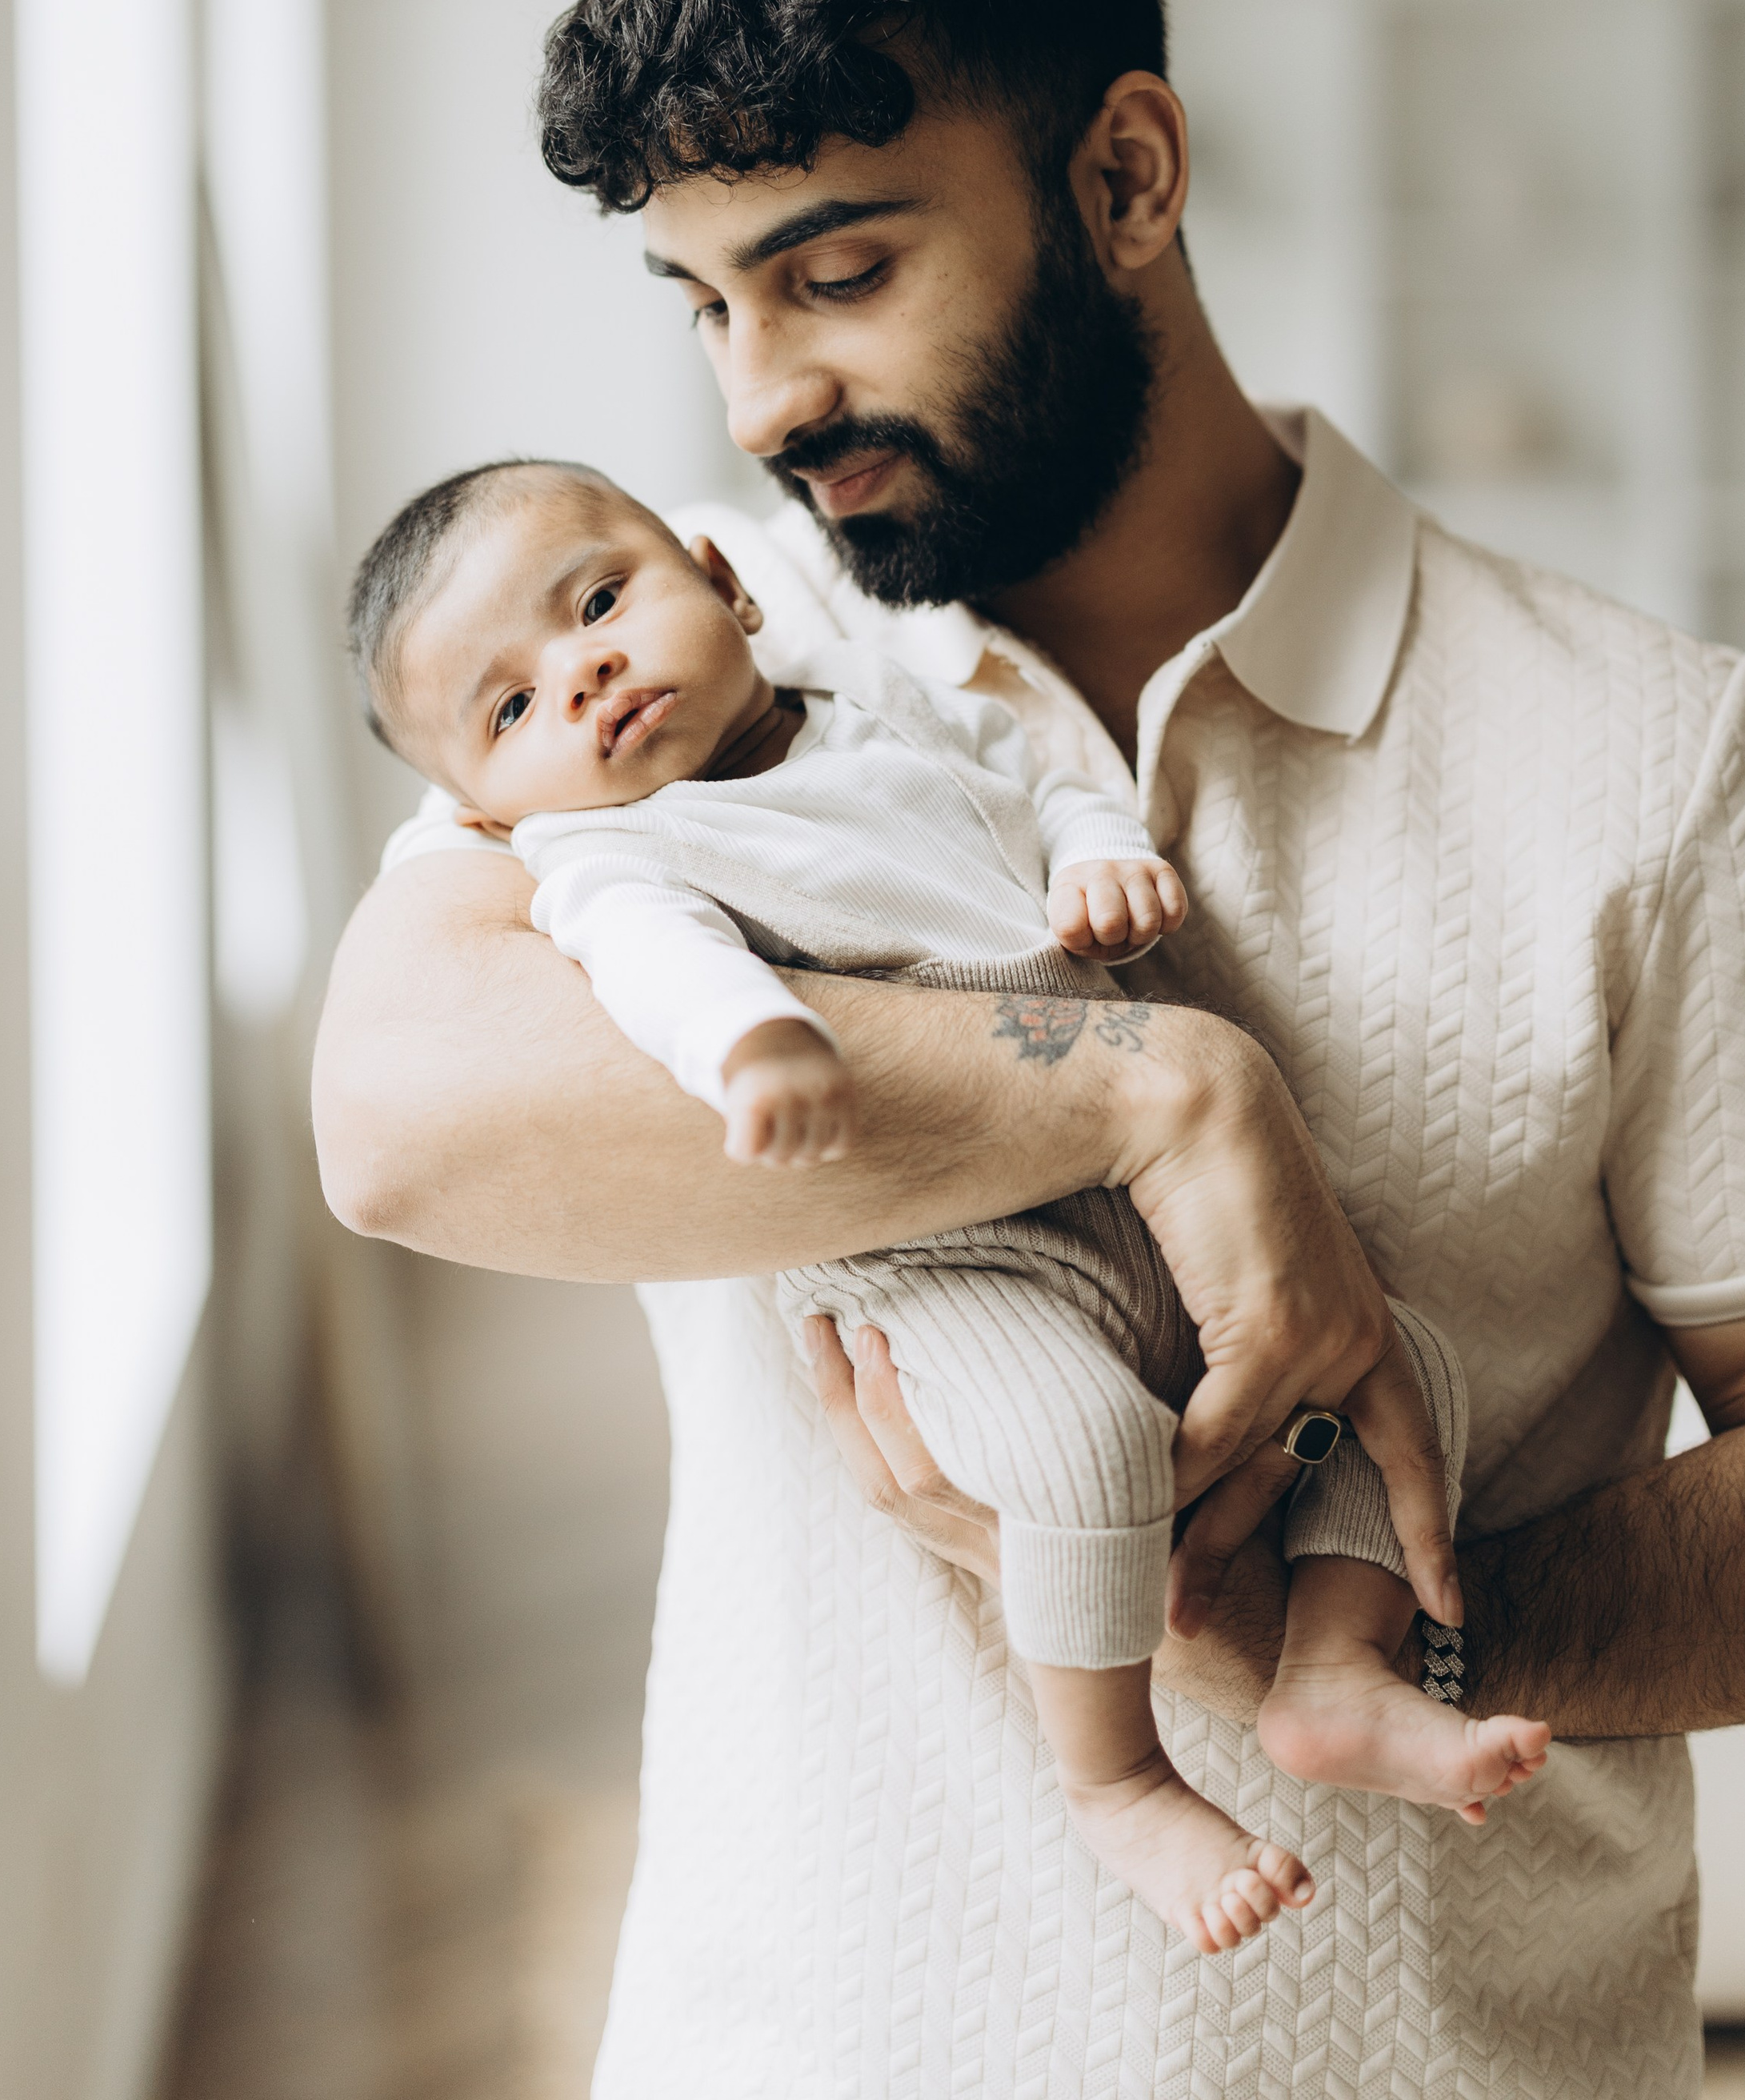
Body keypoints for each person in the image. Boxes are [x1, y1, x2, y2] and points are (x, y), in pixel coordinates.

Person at [314, 0, 1745, 2098]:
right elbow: (392, 1119)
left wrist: (1246, 1611)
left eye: (842, 271)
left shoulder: (1651, 761)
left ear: (1126, 174)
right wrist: (1170, 1090)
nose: (767, 394)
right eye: (701, 304)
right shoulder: (692, 674)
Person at [342, 453, 1551, 1950]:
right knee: (1081, 1439)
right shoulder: (608, 851)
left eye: (600, 603)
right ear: (474, 809)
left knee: (1395, 1364)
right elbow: (659, 971)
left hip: (1143, 1211)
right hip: (942, 1252)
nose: (582, 676)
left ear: (724, 586)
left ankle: (1336, 1673)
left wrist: (1104, 856)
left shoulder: (878, 709)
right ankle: (1115, 1782)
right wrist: (760, 1043)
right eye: (510, 710)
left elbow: (1040, 780)